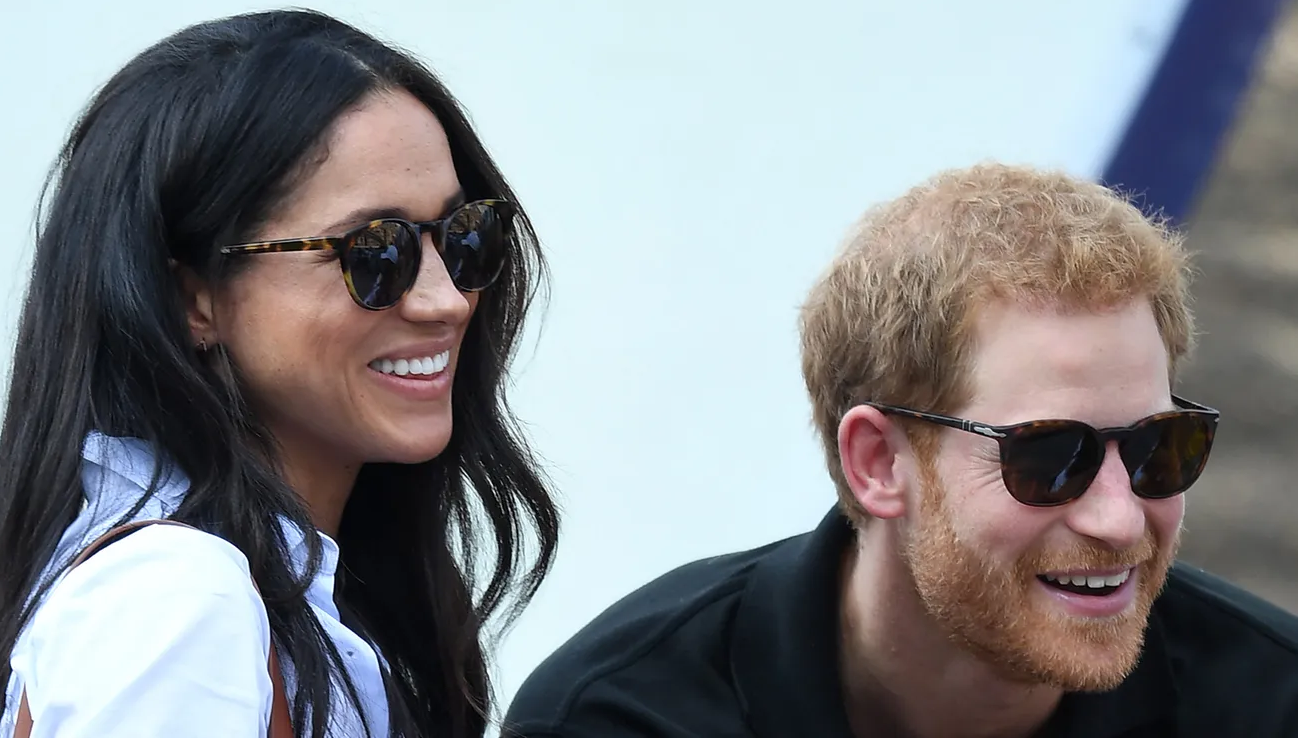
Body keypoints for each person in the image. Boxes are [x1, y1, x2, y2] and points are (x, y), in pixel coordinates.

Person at [501, 163, 1298, 737]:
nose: (1121, 520)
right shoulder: (623, 716)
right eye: (1050, 458)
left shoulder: (1271, 700)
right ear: (879, 462)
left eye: (1161, 446)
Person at [0, 8, 560, 738]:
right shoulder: (175, 604)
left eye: (466, 238)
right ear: (192, 297)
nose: (446, 298)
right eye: (374, 250)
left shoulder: (289, 588)